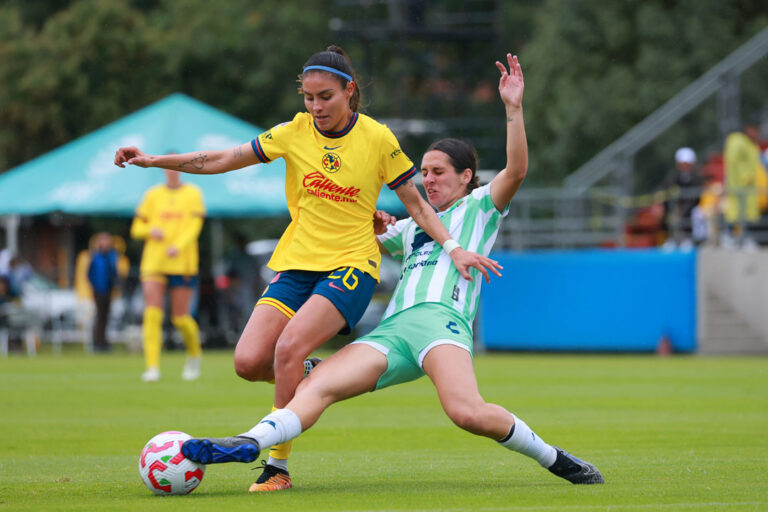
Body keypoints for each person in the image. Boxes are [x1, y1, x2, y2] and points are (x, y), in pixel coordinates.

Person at [180, 54, 605, 487]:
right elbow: (352, 231)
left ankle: (555, 459)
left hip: (441, 326)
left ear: (467, 177)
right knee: (319, 386)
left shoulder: (480, 208)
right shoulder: (409, 227)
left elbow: (516, 170)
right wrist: (374, 221)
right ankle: (250, 444)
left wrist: (513, 109)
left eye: (438, 172)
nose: (429, 180)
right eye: (423, 173)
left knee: (466, 412)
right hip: (393, 332)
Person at [114, 45, 498, 490]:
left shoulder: (378, 139)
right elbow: (223, 158)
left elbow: (416, 204)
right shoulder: (293, 132)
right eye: (309, 97)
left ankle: (277, 467)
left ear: (349, 91)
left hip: (352, 265)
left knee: (287, 349)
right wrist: (153, 160)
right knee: (248, 361)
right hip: (296, 264)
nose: (316, 107)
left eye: (325, 97)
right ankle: (317, 371)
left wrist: (453, 247)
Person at [130, 168, 205, 382]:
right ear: (164, 170)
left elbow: (195, 226)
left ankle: (194, 355)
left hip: (182, 263)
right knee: (152, 313)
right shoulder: (153, 194)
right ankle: (152, 366)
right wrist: (150, 229)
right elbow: (136, 228)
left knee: (180, 318)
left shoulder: (193, 193)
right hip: (154, 262)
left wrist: (178, 246)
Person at [723, 120, 765, 246]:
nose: (757, 133)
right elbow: (734, 161)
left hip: (748, 187)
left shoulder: (750, 144)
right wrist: (745, 176)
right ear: (748, 128)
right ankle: (730, 238)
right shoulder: (737, 141)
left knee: (746, 215)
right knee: (735, 214)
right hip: (739, 186)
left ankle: (744, 238)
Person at [662, 147, 702, 248]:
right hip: (676, 207)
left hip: (691, 207)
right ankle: (672, 239)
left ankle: (690, 239)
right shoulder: (673, 176)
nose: (684, 167)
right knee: (669, 216)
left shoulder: (697, 177)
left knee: (696, 214)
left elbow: (695, 197)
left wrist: (683, 209)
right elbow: (667, 192)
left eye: (687, 164)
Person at [87, 232, 119, 352]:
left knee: (106, 316)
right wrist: (95, 286)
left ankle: (104, 342)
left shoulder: (112, 255)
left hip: (109, 290)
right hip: (99, 290)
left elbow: (114, 272)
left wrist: (115, 283)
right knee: (99, 316)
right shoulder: (95, 256)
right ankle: (97, 342)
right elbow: (90, 274)